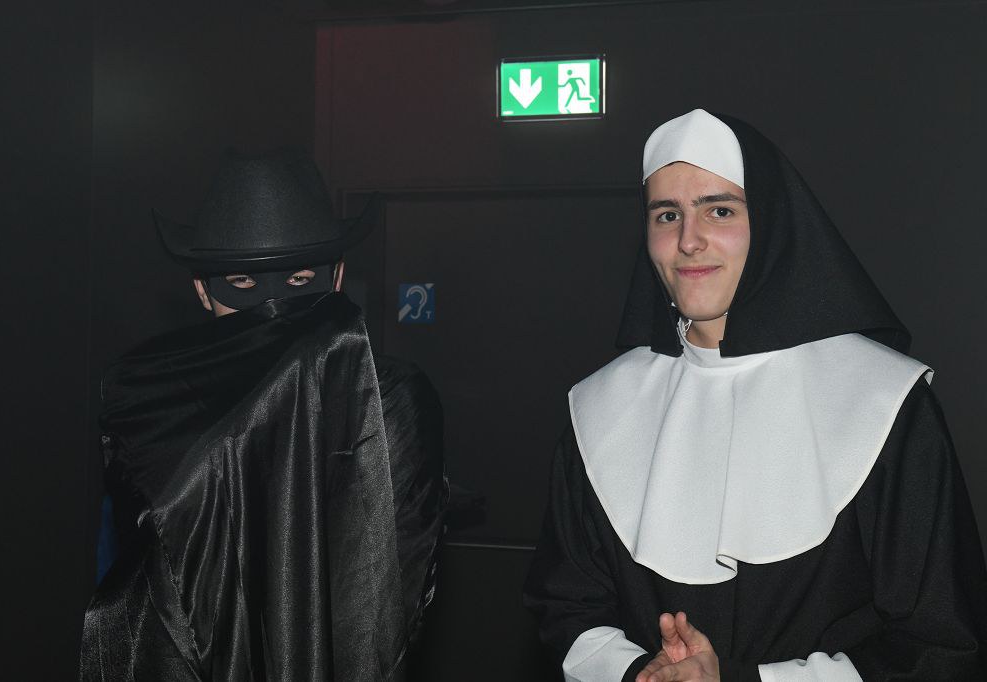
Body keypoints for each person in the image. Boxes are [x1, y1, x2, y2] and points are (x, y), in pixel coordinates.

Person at [524, 109, 987, 681]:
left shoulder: (884, 402)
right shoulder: (599, 408)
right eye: (667, 215)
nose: (689, 241)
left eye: (719, 210)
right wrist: (642, 672)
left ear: (770, 224)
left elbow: (940, 646)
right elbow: (566, 610)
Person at [82, 148, 448, 681]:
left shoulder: (386, 397)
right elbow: (133, 595)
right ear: (202, 289)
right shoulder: (145, 403)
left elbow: (382, 608)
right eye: (243, 284)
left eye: (298, 281)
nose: (271, 308)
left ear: (337, 277)